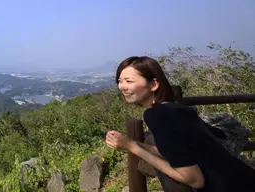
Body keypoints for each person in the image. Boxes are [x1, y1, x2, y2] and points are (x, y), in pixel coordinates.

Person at [105, 56, 255, 191]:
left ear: (153, 84)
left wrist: (131, 146)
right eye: (120, 81)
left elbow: (194, 180)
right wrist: (129, 143)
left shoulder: (157, 115)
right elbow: (177, 151)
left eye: (129, 81)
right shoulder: (176, 109)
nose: (122, 87)